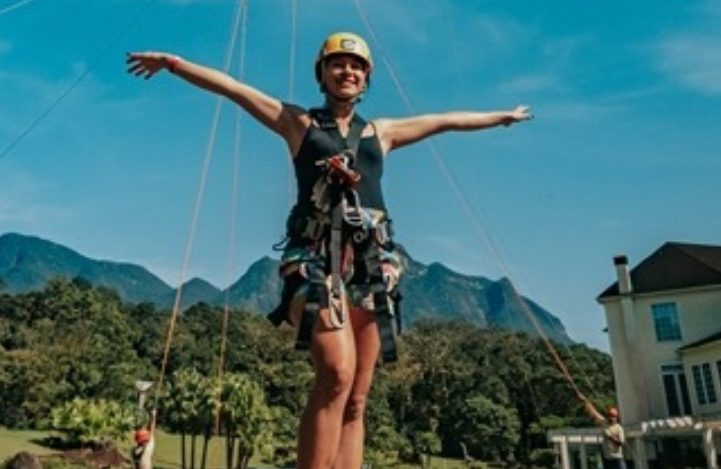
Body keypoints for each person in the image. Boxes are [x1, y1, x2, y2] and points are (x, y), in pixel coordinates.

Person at [127, 32, 532, 469]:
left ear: (366, 79)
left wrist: (501, 117)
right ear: (321, 73)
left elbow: (446, 120)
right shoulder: (298, 123)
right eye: (337, 64)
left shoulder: (383, 132)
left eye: (357, 66)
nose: (348, 72)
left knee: (357, 398)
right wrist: (173, 63)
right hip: (315, 258)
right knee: (336, 373)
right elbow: (234, 89)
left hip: (371, 264)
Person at [583, 402, 626, 469]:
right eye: (609, 415)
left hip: (618, 459)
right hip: (607, 459)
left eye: (613, 416)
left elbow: (621, 443)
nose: (611, 418)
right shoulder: (604, 422)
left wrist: (610, 437)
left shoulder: (619, 428)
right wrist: (585, 401)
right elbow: (594, 412)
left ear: (616, 417)